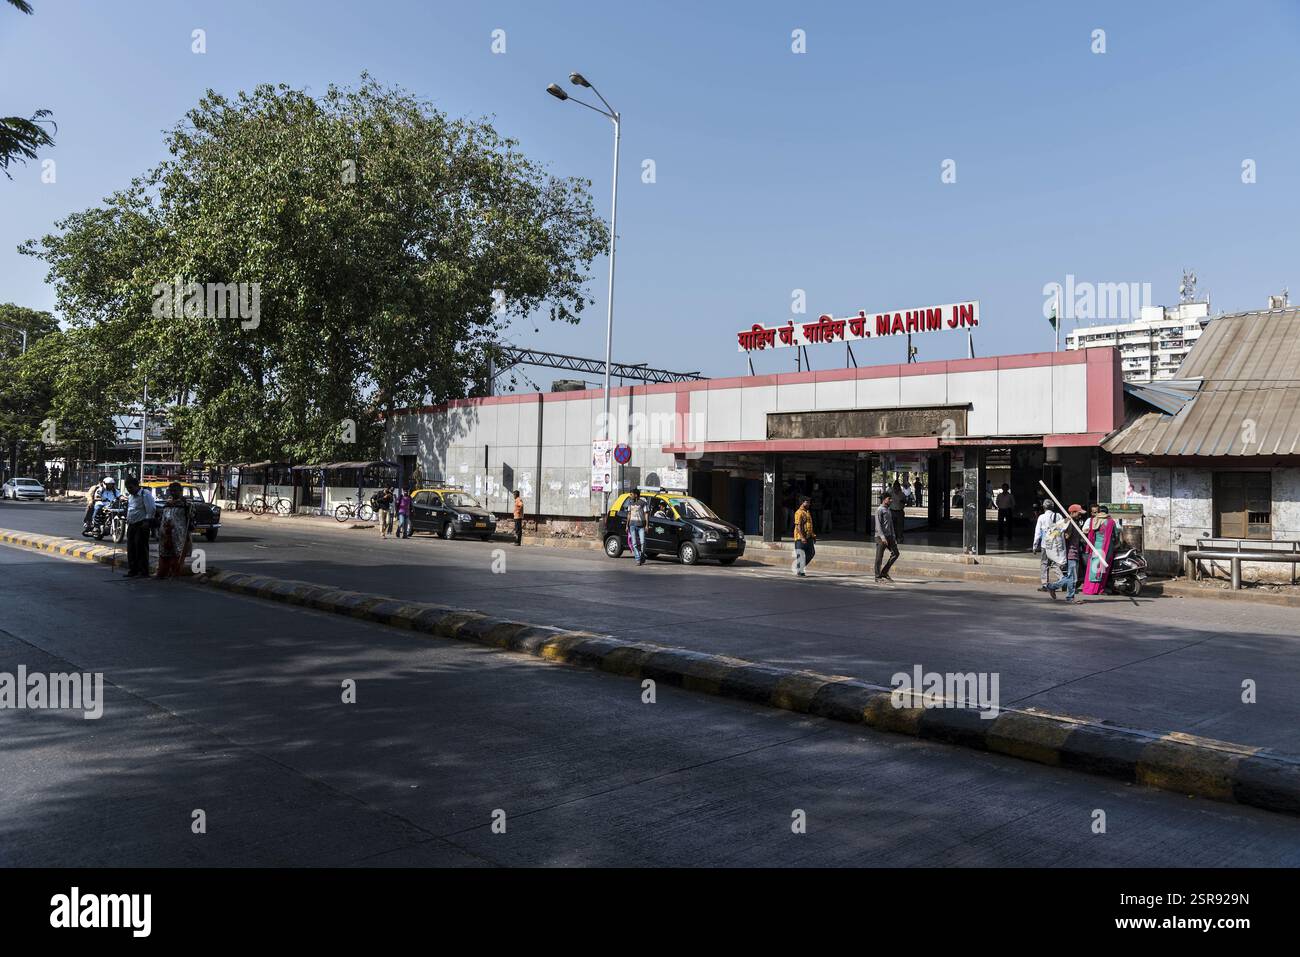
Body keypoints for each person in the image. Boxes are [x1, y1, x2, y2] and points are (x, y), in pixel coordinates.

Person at [156, 481, 192, 578]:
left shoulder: (186, 504)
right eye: (171, 491)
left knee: (177, 555)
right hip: (166, 533)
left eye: (175, 491)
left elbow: (191, 519)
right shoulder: (167, 504)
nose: (173, 493)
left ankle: (175, 574)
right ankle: (163, 573)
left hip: (179, 534)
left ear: (180, 491)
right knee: (164, 554)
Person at [1081, 505, 1119, 595]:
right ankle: (1099, 589)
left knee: (1093, 568)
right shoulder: (1110, 522)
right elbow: (1116, 535)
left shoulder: (1093, 521)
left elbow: (1087, 532)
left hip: (1094, 547)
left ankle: (1090, 588)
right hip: (1106, 548)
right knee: (1102, 569)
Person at [122, 476, 156, 578]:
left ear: (137, 486)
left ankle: (143, 571)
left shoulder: (145, 494)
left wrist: (147, 521)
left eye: (131, 488)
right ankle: (133, 570)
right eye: (127, 488)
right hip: (132, 524)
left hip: (142, 524)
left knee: (140, 548)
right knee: (131, 548)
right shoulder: (131, 496)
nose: (129, 490)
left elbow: (151, 509)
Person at [1032, 498, 1059, 591]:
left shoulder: (1041, 517)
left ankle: (1045, 584)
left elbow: (1037, 533)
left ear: (1043, 507)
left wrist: (1035, 546)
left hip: (1045, 545)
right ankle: (1062, 581)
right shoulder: (1058, 516)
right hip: (1056, 545)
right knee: (1056, 564)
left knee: (1044, 563)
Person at [874, 492, 900, 582]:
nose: (891, 500)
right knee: (879, 557)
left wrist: (893, 536)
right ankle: (877, 576)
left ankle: (884, 572)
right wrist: (883, 538)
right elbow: (878, 526)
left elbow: (891, 524)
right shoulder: (879, 510)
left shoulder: (888, 510)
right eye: (889, 499)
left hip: (889, 536)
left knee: (896, 553)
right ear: (884, 499)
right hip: (880, 537)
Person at [793, 497, 815, 576]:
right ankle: (800, 570)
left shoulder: (807, 512)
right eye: (807, 502)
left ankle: (800, 567)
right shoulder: (799, 513)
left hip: (809, 537)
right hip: (800, 538)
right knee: (801, 555)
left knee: (811, 553)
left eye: (809, 502)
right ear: (802, 503)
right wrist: (802, 537)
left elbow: (809, 525)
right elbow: (798, 526)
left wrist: (813, 535)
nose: (809, 504)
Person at [626, 490, 648, 565]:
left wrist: (647, 525)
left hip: (641, 525)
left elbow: (646, 514)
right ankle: (638, 559)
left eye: (631, 494)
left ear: (636, 495)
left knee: (643, 542)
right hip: (632, 525)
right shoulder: (630, 503)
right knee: (634, 543)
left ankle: (642, 555)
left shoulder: (643, 503)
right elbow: (629, 514)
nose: (630, 496)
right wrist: (627, 525)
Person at [889, 478, 906, 543]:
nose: (896, 488)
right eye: (895, 486)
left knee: (900, 526)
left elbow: (905, 501)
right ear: (893, 487)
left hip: (900, 511)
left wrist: (902, 501)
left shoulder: (902, 494)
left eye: (897, 486)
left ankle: (900, 537)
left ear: (899, 487)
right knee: (892, 526)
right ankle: (893, 537)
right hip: (892, 511)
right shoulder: (890, 493)